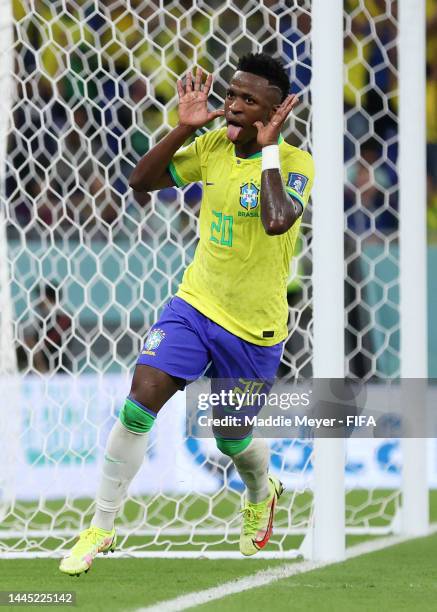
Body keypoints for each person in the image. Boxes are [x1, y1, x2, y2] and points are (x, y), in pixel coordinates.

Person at [59, 53, 314, 575]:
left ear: (274, 112)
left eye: (248, 100)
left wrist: (268, 154)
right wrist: (180, 130)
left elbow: (276, 221)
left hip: (255, 328)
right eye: (231, 95)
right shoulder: (212, 145)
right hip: (194, 306)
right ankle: (101, 527)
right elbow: (141, 180)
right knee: (139, 403)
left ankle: (261, 492)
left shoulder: (296, 164)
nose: (233, 106)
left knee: (231, 438)